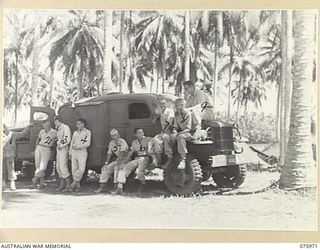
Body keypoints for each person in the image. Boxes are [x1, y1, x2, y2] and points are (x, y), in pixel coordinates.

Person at [113, 128, 152, 195]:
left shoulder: (148, 139)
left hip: (146, 158)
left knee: (138, 171)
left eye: (142, 132)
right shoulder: (134, 142)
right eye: (139, 133)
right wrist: (124, 163)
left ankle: (143, 185)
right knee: (123, 168)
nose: (142, 134)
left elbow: (153, 149)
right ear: (136, 134)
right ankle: (119, 188)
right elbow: (130, 153)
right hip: (137, 158)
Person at [94, 129, 128, 193]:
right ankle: (102, 187)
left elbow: (122, 154)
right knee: (105, 168)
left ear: (118, 135)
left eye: (115, 135)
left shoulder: (122, 141)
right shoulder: (111, 143)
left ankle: (117, 188)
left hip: (126, 159)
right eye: (112, 136)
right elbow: (109, 153)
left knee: (117, 169)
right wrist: (106, 163)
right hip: (118, 159)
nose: (114, 137)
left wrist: (119, 164)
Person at [164, 98, 193, 170]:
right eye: (175, 106)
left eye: (177, 105)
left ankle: (183, 158)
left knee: (180, 137)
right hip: (180, 132)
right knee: (167, 137)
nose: (176, 107)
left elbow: (189, 129)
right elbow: (176, 126)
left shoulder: (189, 114)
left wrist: (178, 134)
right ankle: (169, 157)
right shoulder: (177, 114)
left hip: (189, 133)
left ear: (182, 105)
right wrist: (174, 131)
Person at [2, 123, 33, 191]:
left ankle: (12, 183)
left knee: (11, 169)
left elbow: (22, 134)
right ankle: (3, 183)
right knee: (3, 169)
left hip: (10, 154)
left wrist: (28, 127)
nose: (4, 129)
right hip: (2, 154)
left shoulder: (13, 134)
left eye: (4, 127)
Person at [149, 98, 175, 169]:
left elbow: (169, 123)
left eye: (163, 103)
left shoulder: (170, 112)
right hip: (163, 131)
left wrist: (163, 132)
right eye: (160, 104)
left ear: (166, 104)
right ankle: (158, 159)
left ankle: (169, 158)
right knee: (153, 140)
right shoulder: (162, 112)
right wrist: (155, 118)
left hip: (170, 131)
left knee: (165, 139)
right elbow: (158, 115)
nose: (162, 105)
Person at [32, 121, 57, 189]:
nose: (44, 126)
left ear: (49, 124)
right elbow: (38, 139)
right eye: (43, 125)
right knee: (38, 166)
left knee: (43, 166)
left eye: (46, 125)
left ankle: (35, 178)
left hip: (47, 148)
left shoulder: (54, 132)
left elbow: (56, 141)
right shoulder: (41, 131)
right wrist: (36, 147)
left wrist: (53, 150)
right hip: (39, 147)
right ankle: (41, 183)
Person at [69, 118, 91, 192]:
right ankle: (78, 186)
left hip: (82, 152)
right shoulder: (75, 133)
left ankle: (74, 183)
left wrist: (79, 146)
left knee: (81, 169)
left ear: (83, 124)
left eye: (78, 124)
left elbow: (87, 143)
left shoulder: (87, 132)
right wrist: (70, 153)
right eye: (77, 124)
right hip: (74, 152)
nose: (77, 125)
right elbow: (72, 143)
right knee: (74, 169)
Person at [54, 116, 72, 192]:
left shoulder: (65, 128)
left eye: (55, 121)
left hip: (63, 148)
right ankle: (62, 184)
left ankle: (68, 184)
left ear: (58, 121)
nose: (55, 123)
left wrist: (61, 145)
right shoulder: (59, 129)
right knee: (58, 167)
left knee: (63, 166)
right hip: (59, 149)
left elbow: (67, 139)